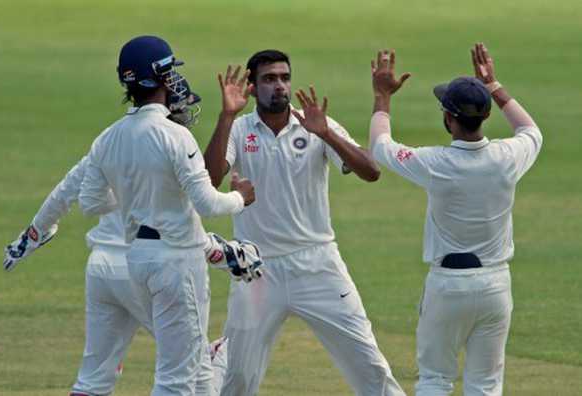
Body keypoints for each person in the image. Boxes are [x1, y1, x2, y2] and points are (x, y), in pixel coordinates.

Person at [2, 81, 259, 395]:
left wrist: (31, 236)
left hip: (102, 269)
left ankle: (209, 359)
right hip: (150, 268)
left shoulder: (112, 140)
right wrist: (225, 252)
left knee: (93, 380)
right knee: (190, 374)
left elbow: (66, 193)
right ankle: (215, 358)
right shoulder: (174, 146)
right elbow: (177, 230)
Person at [204, 49, 405, 396]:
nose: (279, 86)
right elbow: (208, 182)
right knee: (238, 378)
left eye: (284, 77)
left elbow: (371, 171)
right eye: (269, 79)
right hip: (257, 270)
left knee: (369, 364)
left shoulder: (314, 123)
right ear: (251, 87)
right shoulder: (238, 130)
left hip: (317, 263)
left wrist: (326, 134)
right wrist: (225, 116)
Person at [77, 35, 257, 396]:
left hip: (138, 259)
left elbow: (90, 202)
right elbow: (208, 204)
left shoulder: (108, 138)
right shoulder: (175, 135)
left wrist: (136, 194)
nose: (176, 79)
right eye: (170, 71)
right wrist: (240, 197)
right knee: (177, 379)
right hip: (176, 262)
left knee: (193, 370)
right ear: (159, 78)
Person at [368, 44, 542, 395]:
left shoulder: (435, 163)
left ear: (448, 118)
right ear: (485, 116)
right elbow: (531, 131)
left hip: (447, 285)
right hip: (495, 285)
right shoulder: (507, 156)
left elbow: (380, 146)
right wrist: (493, 85)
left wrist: (382, 95)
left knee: (435, 379)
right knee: (486, 385)